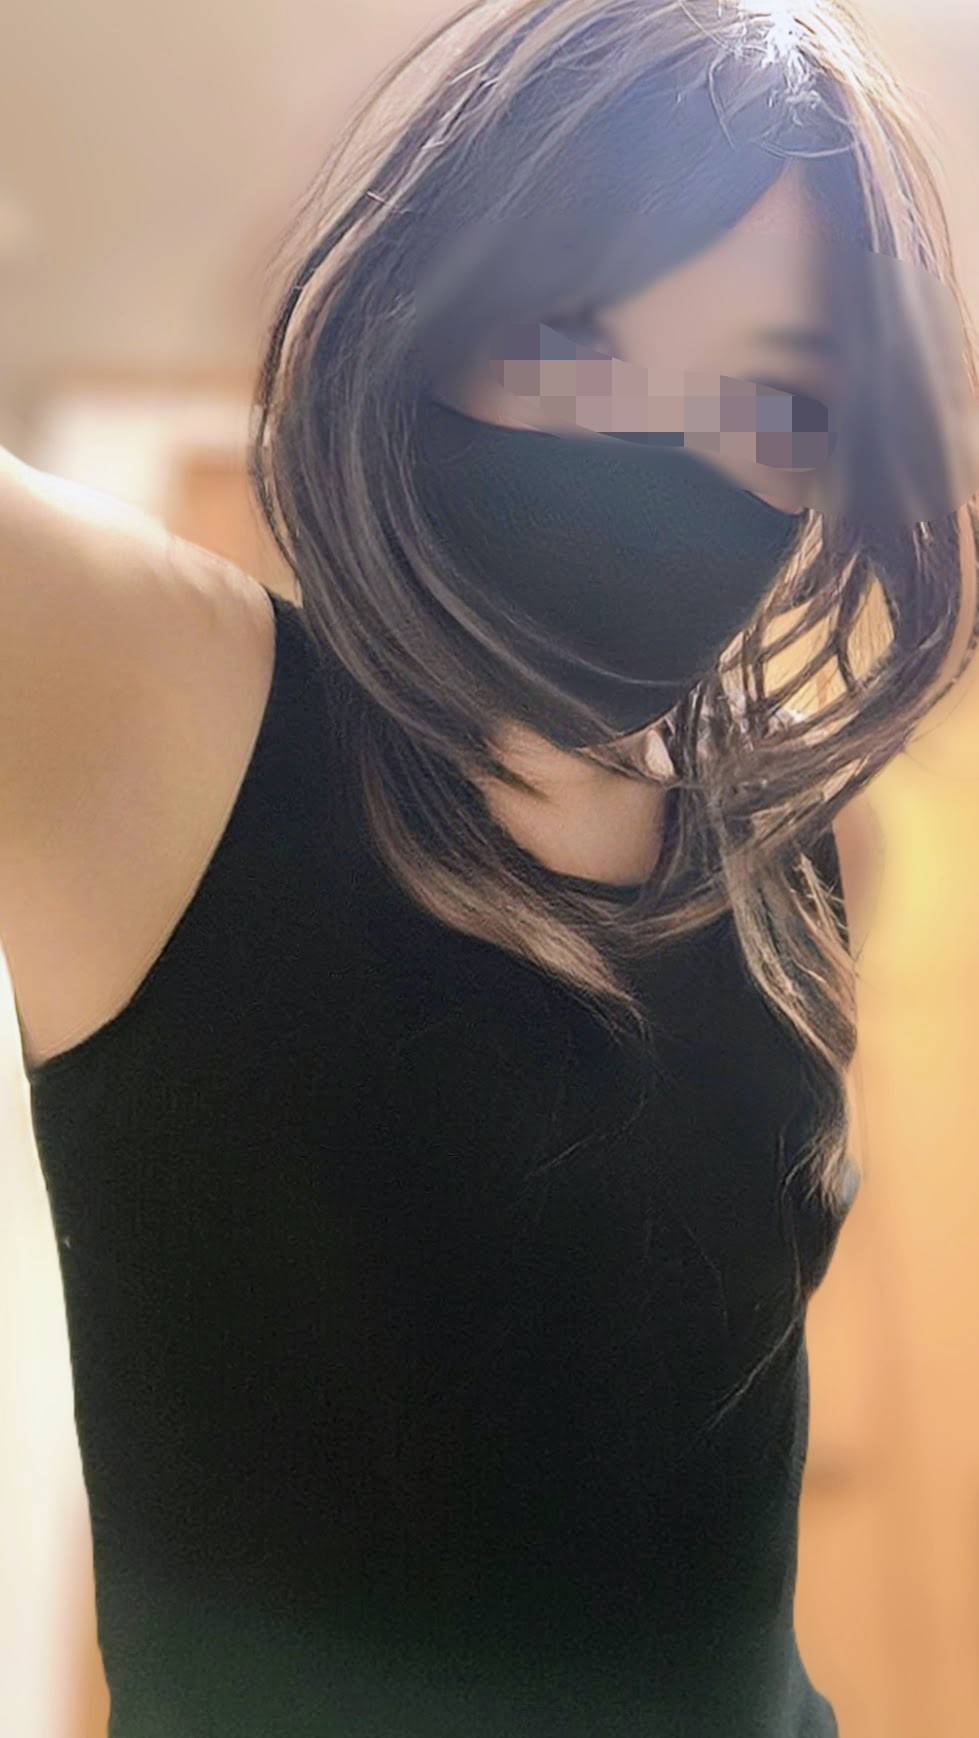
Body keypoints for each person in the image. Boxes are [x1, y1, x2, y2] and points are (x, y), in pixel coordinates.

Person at [2, 2, 977, 1734]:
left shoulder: (810, 849)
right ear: (416, 313)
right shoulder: (169, 716)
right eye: (569, 337)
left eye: (771, 394)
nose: (660, 445)